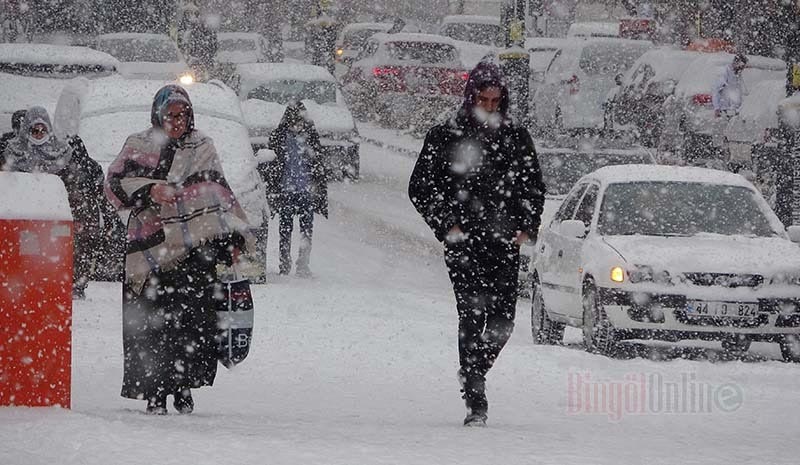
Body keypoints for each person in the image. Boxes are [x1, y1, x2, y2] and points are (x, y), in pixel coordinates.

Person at [408, 62, 546, 427]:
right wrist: (446, 223)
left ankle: (473, 371)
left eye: (495, 101)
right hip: (463, 242)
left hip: (503, 244)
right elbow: (420, 187)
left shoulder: (516, 137)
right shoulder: (446, 135)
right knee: (471, 314)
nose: (488, 106)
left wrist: (526, 227)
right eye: (483, 99)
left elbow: (533, 186)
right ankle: (475, 398)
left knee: (503, 321)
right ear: (471, 98)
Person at [104, 85, 255, 415]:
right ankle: (155, 392)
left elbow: (218, 194)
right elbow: (113, 183)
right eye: (171, 115)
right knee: (151, 325)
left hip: (193, 255)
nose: (177, 121)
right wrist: (150, 190)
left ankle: (183, 387)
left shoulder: (202, 147)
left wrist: (232, 239)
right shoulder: (139, 144)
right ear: (158, 115)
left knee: (190, 325)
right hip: (150, 252)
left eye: (183, 114)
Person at [1, 106, 105, 299]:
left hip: (56, 215)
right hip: (24, 216)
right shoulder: (12, 152)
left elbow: (76, 187)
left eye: (43, 130)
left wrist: (76, 215)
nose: (39, 135)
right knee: (27, 254)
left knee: (57, 253)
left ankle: (68, 286)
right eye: (34, 130)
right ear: (26, 130)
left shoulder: (63, 153)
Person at [263, 101, 328, 277]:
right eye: (293, 122)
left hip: (306, 192)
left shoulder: (310, 139)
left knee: (306, 230)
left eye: (299, 122)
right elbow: (272, 165)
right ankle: (285, 264)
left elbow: (318, 165)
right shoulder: (280, 138)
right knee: (285, 229)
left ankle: (302, 264)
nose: (296, 126)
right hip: (287, 191)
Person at [713, 53, 748, 118]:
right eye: (741, 66)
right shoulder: (725, 72)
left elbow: (739, 92)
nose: (742, 69)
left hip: (734, 111)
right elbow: (716, 90)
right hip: (723, 110)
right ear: (736, 63)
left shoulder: (737, 74)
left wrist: (740, 108)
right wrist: (717, 108)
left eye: (743, 67)